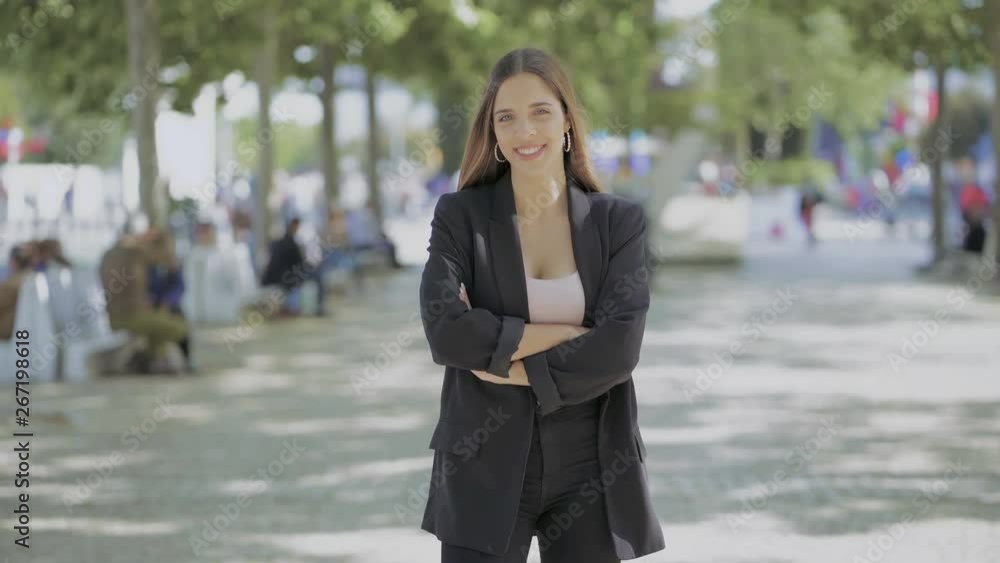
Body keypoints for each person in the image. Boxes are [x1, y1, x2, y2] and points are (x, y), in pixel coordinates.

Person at [418, 48, 664, 563]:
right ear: (493, 132)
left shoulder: (618, 222)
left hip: (592, 462)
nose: (524, 131)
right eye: (506, 117)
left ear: (568, 121)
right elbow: (446, 332)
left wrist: (502, 361)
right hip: (481, 460)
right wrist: (569, 336)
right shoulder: (460, 215)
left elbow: (618, 350)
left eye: (540, 112)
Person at [99, 232, 188, 374]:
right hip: (130, 316)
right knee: (179, 327)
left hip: (115, 315)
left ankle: (148, 361)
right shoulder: (136, 255)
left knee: (160, 325)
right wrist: (171, 264)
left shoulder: (113, 254)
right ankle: (150, 359)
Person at [145, 229, 195, 373]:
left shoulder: (172, 264)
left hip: (169, 304)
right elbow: (145, 287)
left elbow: (180, 286)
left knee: (180, 318)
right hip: (152, 305)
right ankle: (156, 359)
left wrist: (168, 300)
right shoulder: (148, 264)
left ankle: (187, 359)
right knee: (159, 323)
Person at [0, 245, 32, 340]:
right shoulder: (32, 278)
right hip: (25, 337)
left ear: (14, 262)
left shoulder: (11, 285)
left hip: (9, 338)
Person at [959, 180, 990, 254]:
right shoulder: (970, 232)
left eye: (979, 207)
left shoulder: (980, 234)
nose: (978, 211)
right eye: (975, 207)